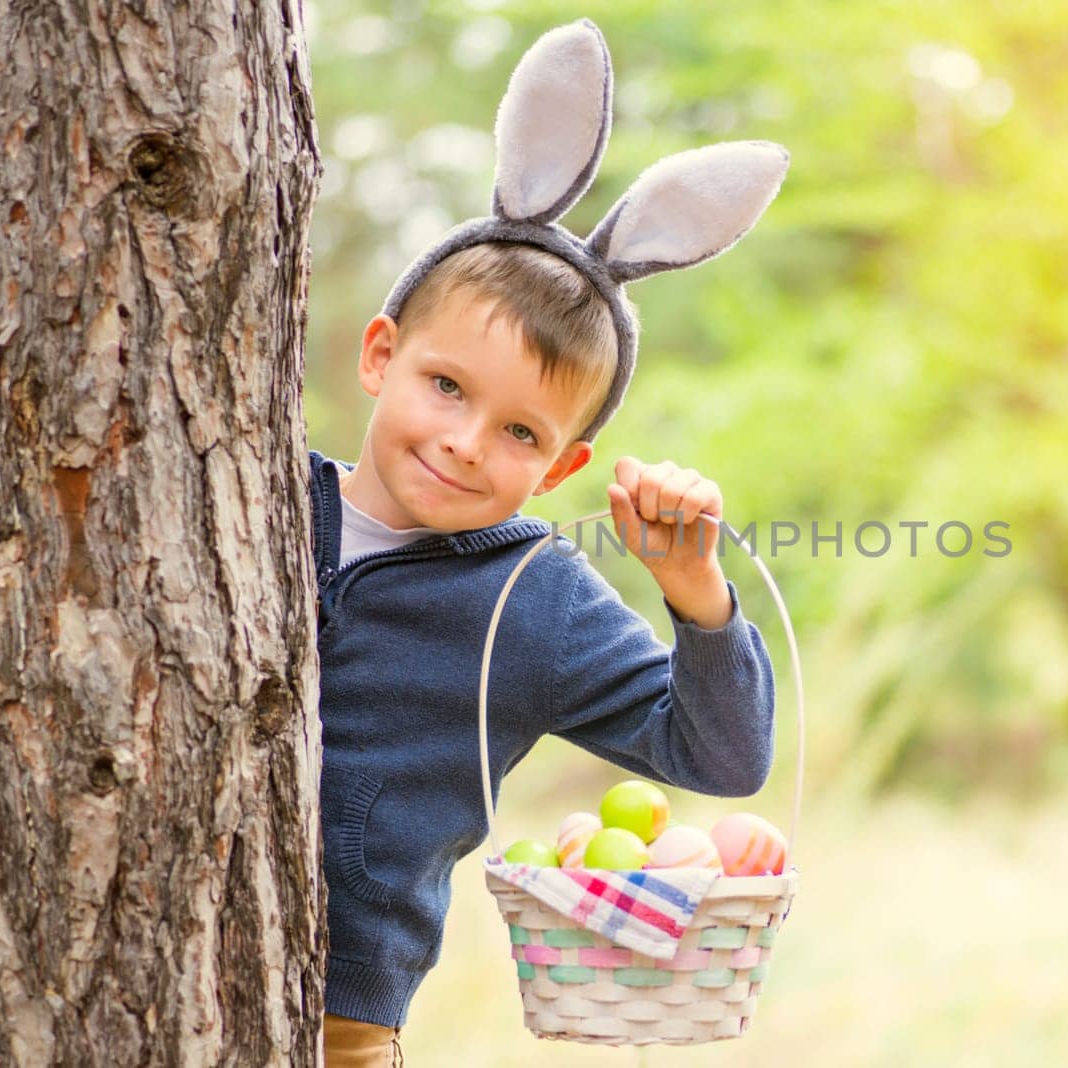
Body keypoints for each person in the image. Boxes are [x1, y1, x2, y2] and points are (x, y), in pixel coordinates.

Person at [309, 18, 790, 1066]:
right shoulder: (254, 501)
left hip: (336, 1013)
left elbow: (722, 754)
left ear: (561, 468)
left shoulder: (535, 598)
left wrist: (695, 591)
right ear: (381, 354)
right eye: (446, 386)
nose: (464, 443)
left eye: (521, 431)